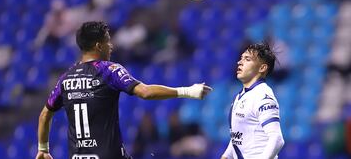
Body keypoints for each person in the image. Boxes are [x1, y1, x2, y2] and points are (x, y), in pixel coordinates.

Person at [35, 21, 212, 159]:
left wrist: (43, 149)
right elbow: (145, 92)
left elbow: (44, 115)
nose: (111, 46)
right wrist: (187, 91)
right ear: (98, 46)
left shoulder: (66, 78)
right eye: (107, 42)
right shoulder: (108, 70)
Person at [221, 42, 284, 159]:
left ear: (262, 68)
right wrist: (225, 156)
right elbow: (239, 137)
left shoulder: (263, 95)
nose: (239, 62)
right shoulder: (241, 95)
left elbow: (277, 138)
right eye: (241, 58)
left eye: (247, 59)